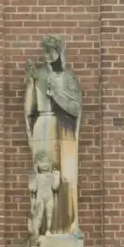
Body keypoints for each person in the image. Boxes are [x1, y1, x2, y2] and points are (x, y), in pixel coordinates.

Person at [24, 35, 81, 235]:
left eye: (51, 51)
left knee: (66, 177)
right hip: (43, 127)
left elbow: (75, 109)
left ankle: (68, 226)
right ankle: (42, 229)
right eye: (44, 51)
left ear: (59, 52)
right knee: (43, 173)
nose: (47, 55)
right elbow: (29, 112)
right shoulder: (37, 75)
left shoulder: (69, 77)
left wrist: (55, 94)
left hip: (64, 129)